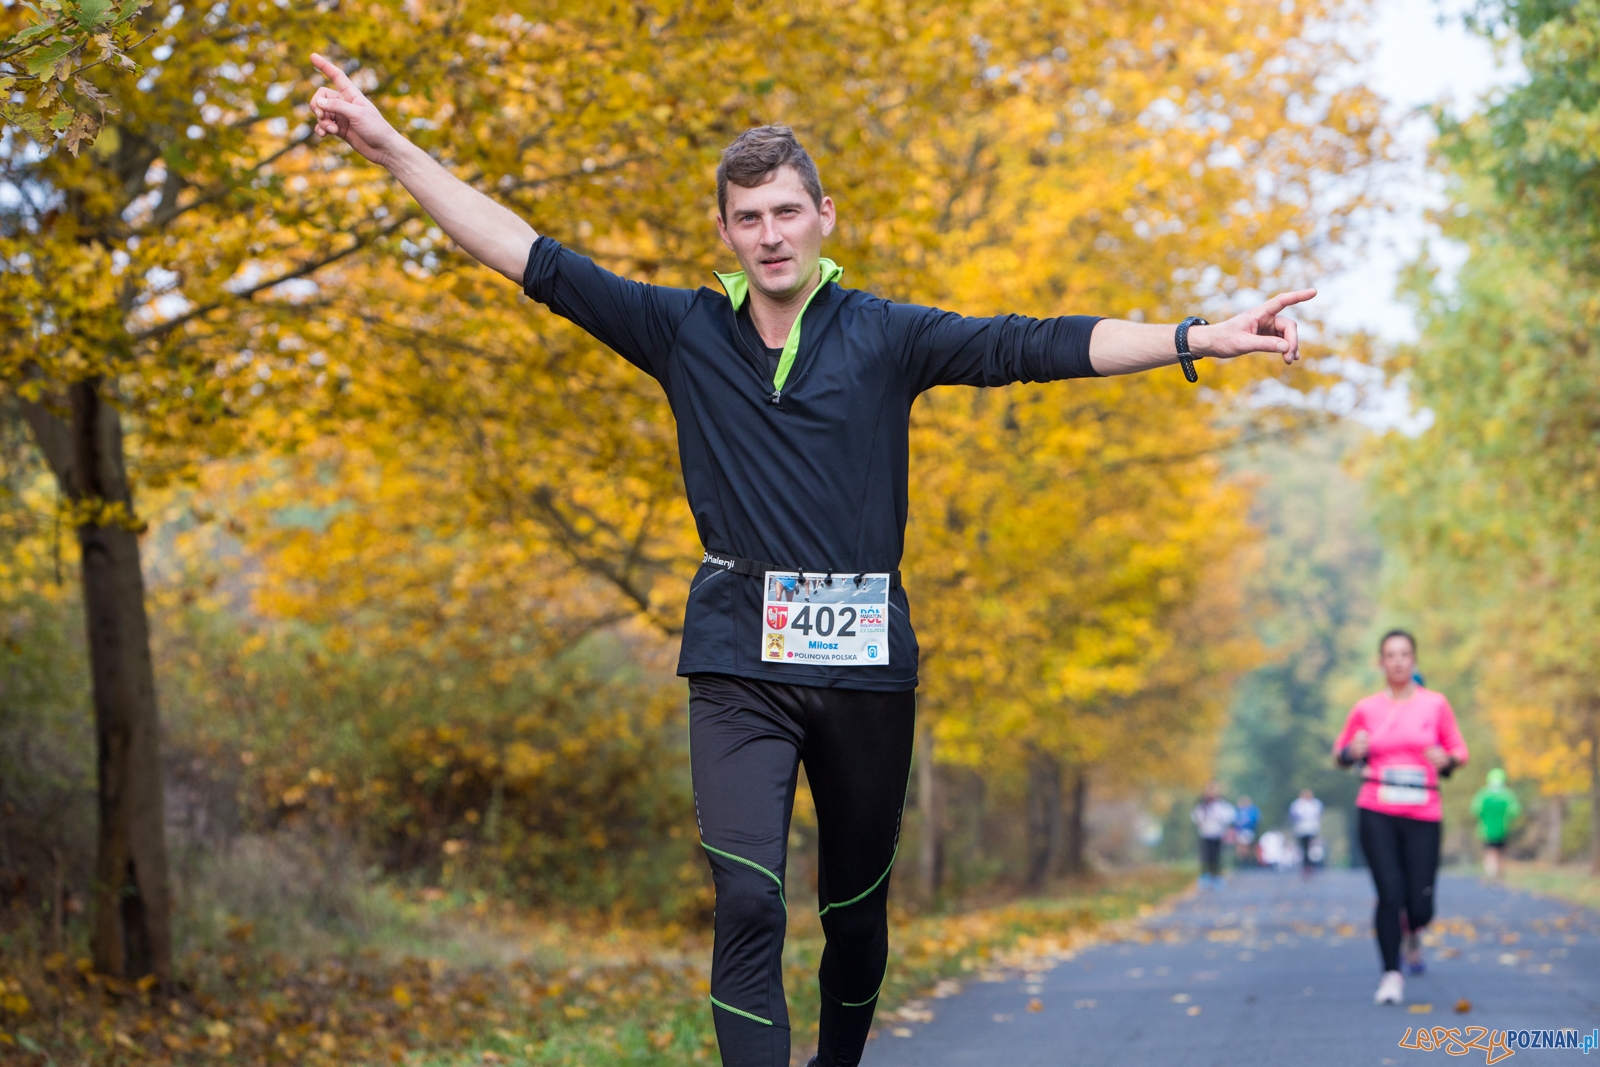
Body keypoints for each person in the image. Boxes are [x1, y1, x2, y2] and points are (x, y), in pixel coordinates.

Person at [307, 53, 1315, 1067]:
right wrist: (391, 147)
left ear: (823, 216)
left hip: (864, 663)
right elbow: (530, 256)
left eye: (785, 211)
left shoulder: (885, 334)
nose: (769, 234)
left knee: (854, 913)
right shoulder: (682, 330)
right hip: (738, 653)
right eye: (747, 218)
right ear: (724, 232)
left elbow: (1035, 342)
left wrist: (1201, 336)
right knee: (747, 894)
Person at [1334, 630, 1468, 1006]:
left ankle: (1414, 928)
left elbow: (1459, 749)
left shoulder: (1435, 705)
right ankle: (1391, 973)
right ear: (1381, 662)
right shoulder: (1365, 708)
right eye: (1390, 655)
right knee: (1390, 894)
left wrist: (1448, 760)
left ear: (1414, 660)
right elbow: (1340, 752)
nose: (1397, 661)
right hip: (1377, 808)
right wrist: (1350, 751)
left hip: (1424, 809)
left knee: (1420, 903)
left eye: (1404, 654)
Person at [1471, 768, 1522, 881]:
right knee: (1501, 852)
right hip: (1503, 828)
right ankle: (1499, 875)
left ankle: (1490, 873)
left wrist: (1484, 818)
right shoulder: (1507, 794)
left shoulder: (1483, 794)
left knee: (1490, 851)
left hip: (1486, 829)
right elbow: (1515, 811)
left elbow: (1475, 809)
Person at [1192, 783, 1237, 889]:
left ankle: (1216, 877)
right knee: (1205, 856)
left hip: (1217, 834)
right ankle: (1205, 877)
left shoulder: (1222, 805)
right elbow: (1196, 818)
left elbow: (1230, 816)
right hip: (1205, 834)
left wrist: (1221, 820)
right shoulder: (1202, 806)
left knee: (1216, 857)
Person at [1288, 788, 1323, 877]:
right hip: (1301, 829)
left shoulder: (1316, 803)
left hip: (1312, 829)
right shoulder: (1297, 804)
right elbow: (1293, 815)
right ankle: (1306, 865)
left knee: (1309, 847)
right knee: (1304, 848)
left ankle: (1309, 865)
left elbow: (1319, 815)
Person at [1233, 795, 1261, 865]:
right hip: (1240, 831)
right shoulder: (1239, 811)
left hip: (1248, 831)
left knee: (1246, 846)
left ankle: (1247, 860)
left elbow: (1255, 820)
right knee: (1241, 846)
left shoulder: (1252, 810)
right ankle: (1242, 860)